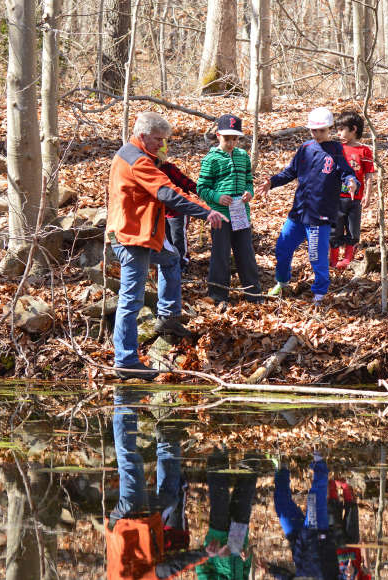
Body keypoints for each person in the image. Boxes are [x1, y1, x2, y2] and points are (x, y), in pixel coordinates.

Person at [107, 112, 227, 381]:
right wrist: (207, 212)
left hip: (145, 235)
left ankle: (169, 317)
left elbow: (172, 187)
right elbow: (167, 192)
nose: (162, 145)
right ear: (143, 135)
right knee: (131, 299)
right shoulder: (137, 160)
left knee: (171, 259)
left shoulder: (135, 154)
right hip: (131, 238)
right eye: (158, 139)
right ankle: (125, 360)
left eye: (165, 140)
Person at [106, 387, 218, 579]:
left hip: (131, 522)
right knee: (170, 498)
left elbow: (165, 570)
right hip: (135, 524)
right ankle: (167, 436)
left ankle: (123, 402)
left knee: (130, 464)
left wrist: (204, 554)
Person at [257, 107, 359, 305]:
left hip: (319, 216)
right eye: (314, 130)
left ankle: (319, 293)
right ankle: (283, 282)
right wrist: (271, 182)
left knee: (316, 257)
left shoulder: (336, 151)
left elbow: (347, 173)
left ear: (329, 128)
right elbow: (290, 172)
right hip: (298, 212)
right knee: (283, 248)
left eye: (321, 130)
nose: (317, 134)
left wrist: (352, 182)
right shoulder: (305, 148)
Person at [197, 114, 263, 307]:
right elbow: (202, 188)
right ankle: (218, 295)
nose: (231, 142)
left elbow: (249, 182)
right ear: (218, 136)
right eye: (227, 138)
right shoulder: (211, 159)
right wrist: (217, 197)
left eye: (235, 138)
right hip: (220, 216)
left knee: (246, 253)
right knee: (221, 254)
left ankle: (253, 293)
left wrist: (249, 193)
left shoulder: (243, 156)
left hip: (241, 213)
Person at [196, 448, 261, 580]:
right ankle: (252, 453)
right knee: (245, 496)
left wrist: (215, 553)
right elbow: (245, 569)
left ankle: (218, 449)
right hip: (238, 540)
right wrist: (246, 557)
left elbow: (201, 568)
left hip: (217, 538)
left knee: (220, 495)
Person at [272, 452, 339, 579]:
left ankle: (282, 466)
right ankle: (319, 460)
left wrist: (272, 570)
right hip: (316, 535)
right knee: (314, 497)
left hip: (298, 541)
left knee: (281, 505)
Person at [330, 111, 374, 270]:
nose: (338, 133)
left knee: (353, 230)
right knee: (335, 229)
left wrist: (368, 194)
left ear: (353, 129)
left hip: (356, 199)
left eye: (341, 129)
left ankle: (348, 258)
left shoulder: (364, 151)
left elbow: (369, 174)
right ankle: (333, 258)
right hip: (336, 198)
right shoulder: (336, 149)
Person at [157, 139, 196, 271]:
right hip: (162, 211)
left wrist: (201, 192)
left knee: (178, 236)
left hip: (178, 210)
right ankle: (171, 260)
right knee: (166, 237)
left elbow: (186, 182)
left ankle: (182, 261)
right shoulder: (148, 171)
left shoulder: (169, 168)